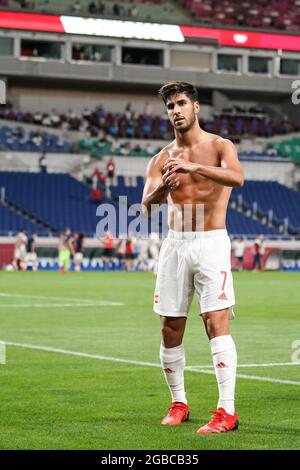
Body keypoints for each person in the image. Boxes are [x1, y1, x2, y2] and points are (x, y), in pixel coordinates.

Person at [141, 81, 244, 434]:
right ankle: (179, 403)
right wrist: (163, 188)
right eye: (170, 106)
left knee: (215, 322)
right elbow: (145, 207)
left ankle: (226, 412)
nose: (176, 110)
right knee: (170, 327)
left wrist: (194, 168)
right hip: (175, 244)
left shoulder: (219, 145)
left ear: (196, 106)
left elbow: (237, 178)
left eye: (181, 102)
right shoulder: (160, 158)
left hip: (211, 242)